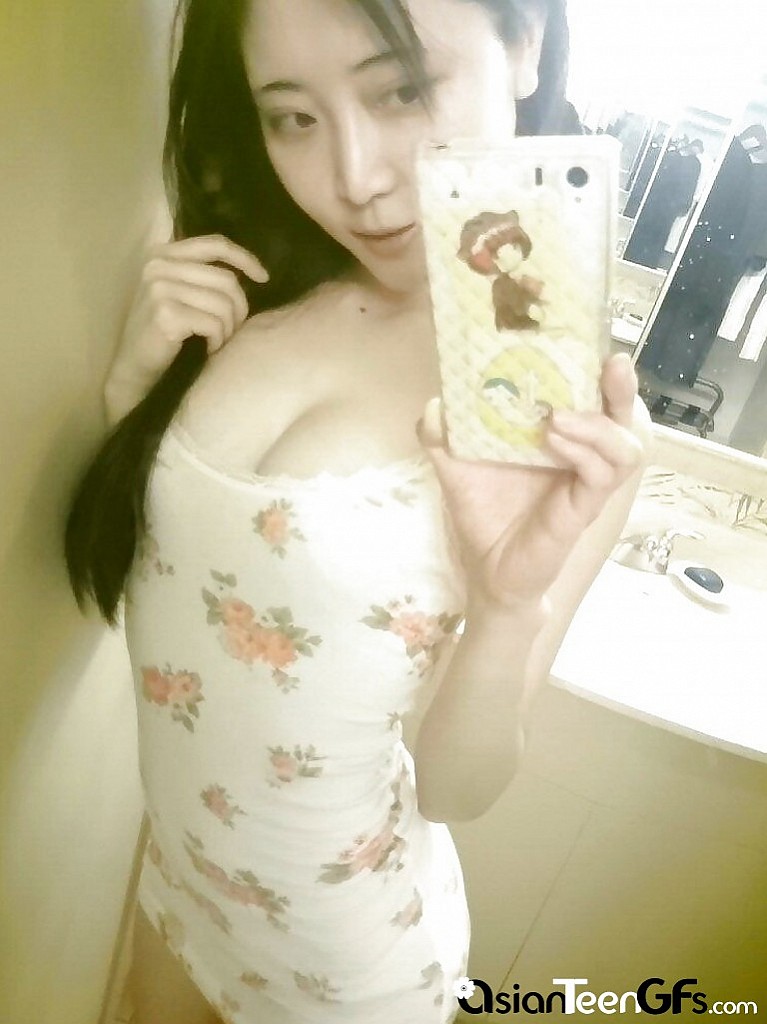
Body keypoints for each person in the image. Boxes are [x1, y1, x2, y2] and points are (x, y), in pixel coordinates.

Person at [64, 1, 650, 1022]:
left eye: (403, 91)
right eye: (292, 116)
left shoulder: (568, 422)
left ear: (522, 48)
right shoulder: (258, 283)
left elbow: (454, 791)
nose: (354, 178)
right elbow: (165, 587)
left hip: (346, 973)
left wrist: (505, 606)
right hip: (181, 889)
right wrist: (131, 396)